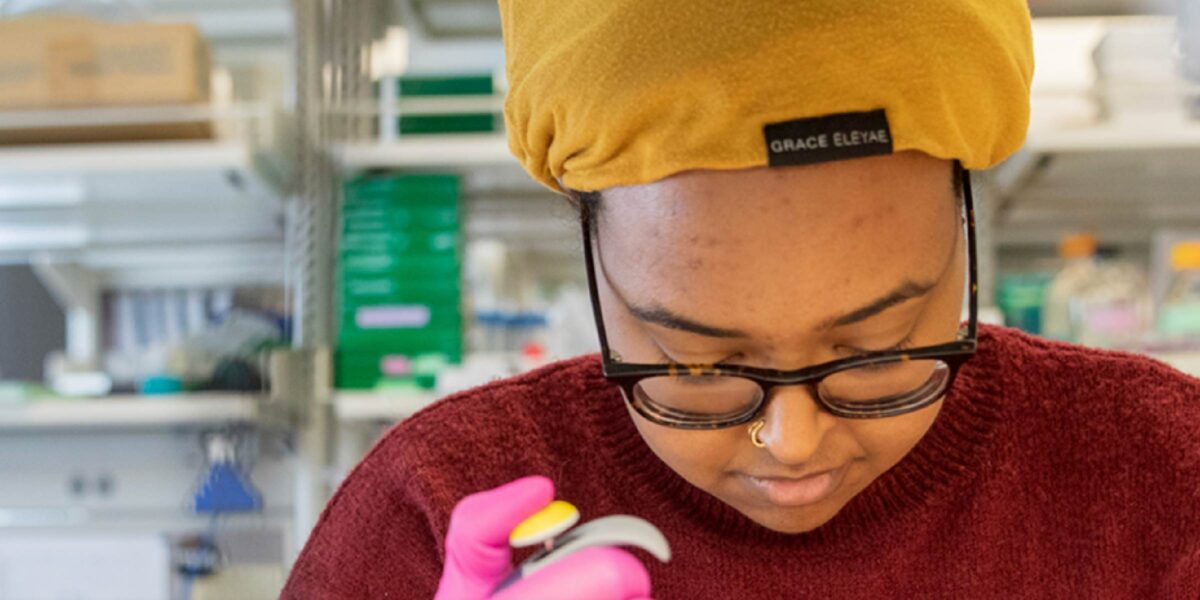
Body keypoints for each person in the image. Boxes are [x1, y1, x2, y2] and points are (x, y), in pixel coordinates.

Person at [282, 1, 1200, 598]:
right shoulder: (433, 504)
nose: (791, 445)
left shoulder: (1162, 476)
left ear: (964, 233)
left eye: (878, 351)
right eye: (699, 366)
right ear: (588, 248)